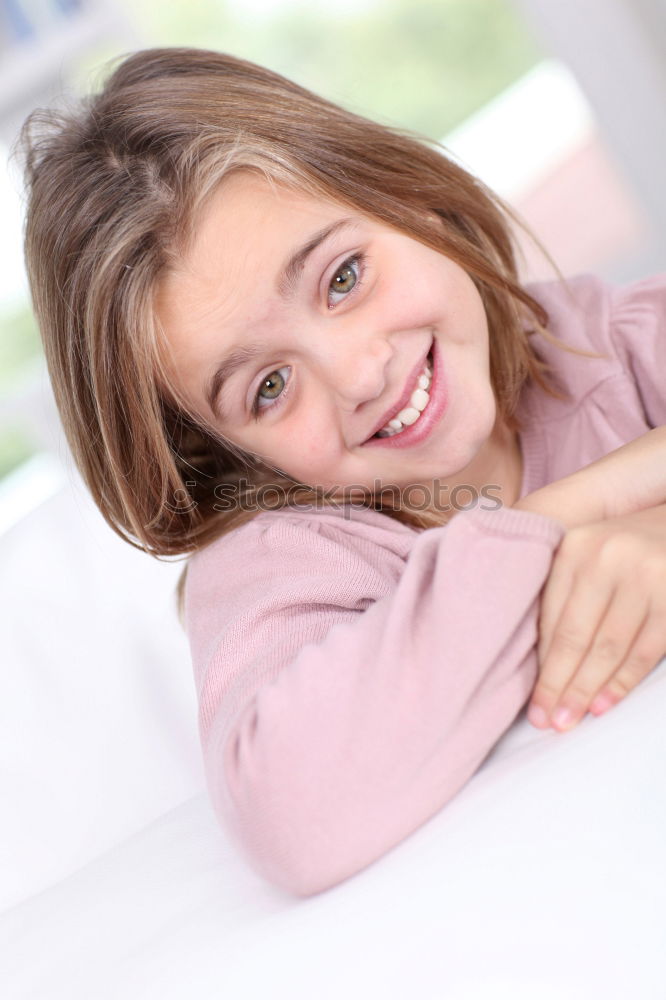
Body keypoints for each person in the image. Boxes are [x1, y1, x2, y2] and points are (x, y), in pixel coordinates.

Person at [16, 47, 666, 897]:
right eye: (269, 388)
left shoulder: (608, 346)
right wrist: (587, 506)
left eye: (343, 278)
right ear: (230, 452)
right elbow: (291, 810)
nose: (361, 377)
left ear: (407, 200)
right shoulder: (289, 563)